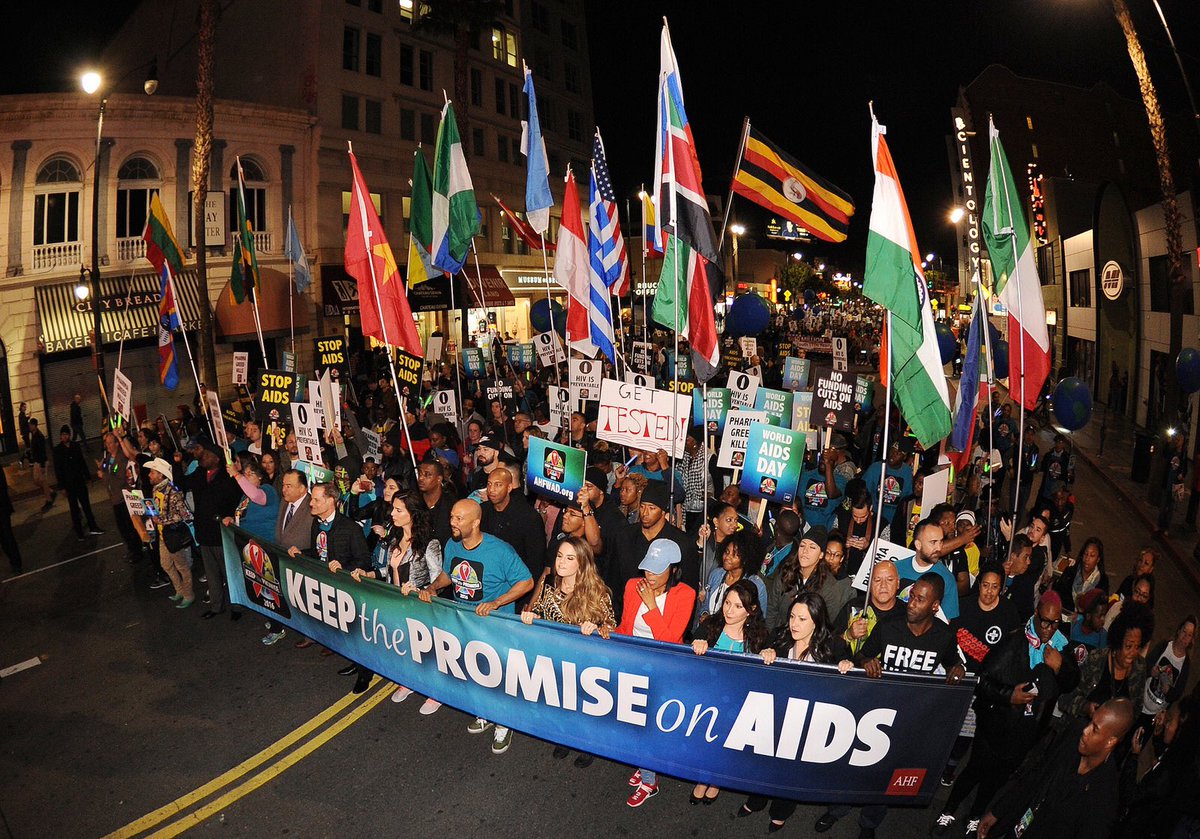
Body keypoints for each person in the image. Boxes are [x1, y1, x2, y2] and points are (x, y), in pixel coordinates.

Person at [818, 575, 964, 839]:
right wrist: (866, 661)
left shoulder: (943, 636)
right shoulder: (889, 626)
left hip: (911, 719)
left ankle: (869, 824)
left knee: (887, 773)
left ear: (934, 606)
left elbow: (954, 661)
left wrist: (958, 667)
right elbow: (862, 654)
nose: (911, 604)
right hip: (877, 712)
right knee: (857, 764)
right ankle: (837, 808)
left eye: (920, 600)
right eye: (911, 597)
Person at [933, 590, 1081, 836]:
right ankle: (948, 810)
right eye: (1043, 620)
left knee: (996, 780)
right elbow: (983, 681)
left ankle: (975, 815)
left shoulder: (1062, 648)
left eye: (1053, 623)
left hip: (1025, 734)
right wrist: (1009, 695)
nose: (1046, 628)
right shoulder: (1013, 641)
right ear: (1035, 614)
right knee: (974, 771)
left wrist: (1060, 666)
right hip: (993, 726)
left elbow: (1071, 683)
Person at [738, 590, 852, 831]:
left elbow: (850, 681)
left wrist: (847, 665)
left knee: (791, 771)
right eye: (792, 616)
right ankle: (756, 800)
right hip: (776, 715)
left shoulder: (834, 646)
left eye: (802, 619)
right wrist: (764, 654)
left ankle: (781, 811)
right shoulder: (780, 637)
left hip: (809, 722)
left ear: (817, 621)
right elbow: (760, 670)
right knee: (764, 763)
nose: (794, 624)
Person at [442, 499, 534, 754]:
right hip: (466, 624)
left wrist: (496, 602)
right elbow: (449, 574)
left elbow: (526, 582)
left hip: (496, 628)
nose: (453, 522)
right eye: (451, 516)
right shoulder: (452, 544)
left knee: (499, 676)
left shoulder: (500, 550)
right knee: (475, 671)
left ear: (476, 522)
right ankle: (484, 713)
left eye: (459, 518)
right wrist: (431, 587)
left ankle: (504, 722)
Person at [977, 699, 1136, 839]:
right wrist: (997, 812)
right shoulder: (1073, 736)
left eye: (1095, 729)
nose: (1085, 730)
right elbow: (1037, 775)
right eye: (1090, 722)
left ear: (1110, 741)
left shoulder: (1105, 796)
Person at [521, 536, 616, 767]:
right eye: (560, 556)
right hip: (556, 658)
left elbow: (611, 626)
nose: (561, 562)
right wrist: (532, 617)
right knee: (562, 701)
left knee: (584, 705)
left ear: (581, 563)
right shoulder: (550, 585)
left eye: (570, 558)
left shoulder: (597, 592)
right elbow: (543, 616)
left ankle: (588, 745)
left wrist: (596, 628)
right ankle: (566, 738)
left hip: (586, 662)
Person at [616, 539, 697, 807]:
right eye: (647, 569)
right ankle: (644, 764)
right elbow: (626, 626)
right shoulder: (632, 586)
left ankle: (650, 781)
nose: (649, 576)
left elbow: (671, 641)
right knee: (632, 722)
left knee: (646, 727)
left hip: (664, 670)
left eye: (656, 570)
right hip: (633, 664)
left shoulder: (685, 595)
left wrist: (651, 606)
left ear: (673, 570)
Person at [359, 491, 449, 714]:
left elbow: (439, 580)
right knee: (406, 648)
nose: (392, 514)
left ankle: (435, 693)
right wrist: (372, 574)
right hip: (397, 606)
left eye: (399, 510)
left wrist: (419, 590)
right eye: (393, 509)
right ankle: (409, 681)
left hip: (422, 608)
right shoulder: (393, 539)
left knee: (427, 651)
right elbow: (389, 570)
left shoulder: (430, 543)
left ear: (413, 514)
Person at [688, 578, 770, 805]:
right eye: (727, 603)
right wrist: (697, 643)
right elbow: (690, 650)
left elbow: (769, 671)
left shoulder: (760, 636)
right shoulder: (711, 625)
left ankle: (716, 780)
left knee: (726, 745)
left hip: (739, 703)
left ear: (751, 611)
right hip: (709, 696)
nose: (729, 610)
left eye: (737, 606)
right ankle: (703, 778)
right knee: (706, 741)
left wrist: (770, 654)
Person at [287, 483, 373, 693]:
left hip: (350, 592)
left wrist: (344, 568)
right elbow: (320, 554)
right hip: (329, 589)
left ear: (330, 501)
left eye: (316, 499)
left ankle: (366, 673)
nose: (311, 503)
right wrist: (302, 552)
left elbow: (364, 562)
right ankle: (356, 662)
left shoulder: (350, 528)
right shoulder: (317, 525)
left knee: (357, 634)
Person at [608, 481, 694, 614]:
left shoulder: (682, 543)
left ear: (663, 511)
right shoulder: (624, 535)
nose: (645, 513)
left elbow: (688, 589)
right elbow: (612, 579)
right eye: (642, 507)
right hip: (624, 615)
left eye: (652, 508)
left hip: (664, 617)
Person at [181, 444, 244, 620]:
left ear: (217, 458)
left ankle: (236, 606)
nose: (203, 456)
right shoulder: (200, 474)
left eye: (207, 454)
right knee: (211, 573)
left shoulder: (227, 478)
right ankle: (217, 606)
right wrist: (179, 461)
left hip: (220, 532)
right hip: (204, 531)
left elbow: (234, 502)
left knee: (228, 571)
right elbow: (183, 483)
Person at [1059, 606, 1153, 722]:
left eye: (1137, 647)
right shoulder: (1096, 660)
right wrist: (1085, 707)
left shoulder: (1139, 667)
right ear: (1117, 643)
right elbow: (1065, 699)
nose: (1133, 653)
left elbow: (1135, 710)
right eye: (1128, 646)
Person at [262, 468, 312, 646]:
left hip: (301, 562)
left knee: (303, 601)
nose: (284, 490)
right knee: (276, 593)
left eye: (289, 486)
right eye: (283, 485)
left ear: (302, 489)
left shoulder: (311, 506)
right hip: (281, 557)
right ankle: (278, 626)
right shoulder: (284, 502)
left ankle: (310, 635)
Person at [767, 526, 851, 630]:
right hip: (779, 635)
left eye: (812, 547)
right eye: (802, 546)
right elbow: (772, 610)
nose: (805, 551)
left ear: (821, 555)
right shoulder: (786, 574)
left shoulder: (830, 588)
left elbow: (825, 626)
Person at [480, 464, 546, 581]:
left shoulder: (529, 518)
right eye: (489, 484)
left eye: (498, 485)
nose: (491, 490)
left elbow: (536, 562)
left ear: (509, 487)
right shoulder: (482, 511)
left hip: (517, 582)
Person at [144, 457, 194, 609]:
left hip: (172, 535)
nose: (149, 475)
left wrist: (163, 521)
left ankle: (188, 595)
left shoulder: (173, 492)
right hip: (162, 534)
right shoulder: (156, 489)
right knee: (166, 564)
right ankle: (180, 590)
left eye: (152, 472)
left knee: (182, 566)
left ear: (161, 475)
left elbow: (185, 514)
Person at [894, 518, 960, 620]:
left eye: (941, 541)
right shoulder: (896, 569)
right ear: (918, 545)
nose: (939, 548)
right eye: (933, 542)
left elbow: (946, 622)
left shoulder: (947, 578)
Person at [1139, 615, 1194, 735]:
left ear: (1191, 640)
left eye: (1189, 635)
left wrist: (1168, 691)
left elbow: (1177, 694)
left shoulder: (1185, 665)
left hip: (1155, 714)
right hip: (1141, 702)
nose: (1185, 636)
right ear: (1179, 630)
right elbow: (1145, 665)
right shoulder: (1165, 646)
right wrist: (1151, 671)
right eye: (1184, 631)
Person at [699, 535, 768, 627]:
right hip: (709, 630)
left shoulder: (756, 585)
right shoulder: (716, 574)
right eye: (726, 552)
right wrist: (704, 614)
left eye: (734, 555)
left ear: (746, 559)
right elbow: (706, 604)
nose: (727, 557)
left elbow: (759, 620)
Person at [52, 424, 103, 539]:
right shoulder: (58, 451)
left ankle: (92, 526)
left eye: (66, 434)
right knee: (74, 509)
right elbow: (58, 470)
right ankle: (79, 532)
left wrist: (88, 477)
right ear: (60, 436)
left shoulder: (75, 446)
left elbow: (82, 462)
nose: (65, 437)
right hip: (69, 484)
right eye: (63, 435)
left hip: (79, 481)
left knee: (86, 505)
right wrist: (62, 487)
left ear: (69, 435)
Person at [97, 430, 141, 564]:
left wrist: (104, 475)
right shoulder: (108, 458)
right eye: (107, 443)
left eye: (111, 443)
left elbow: (120, 478)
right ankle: (131, 550)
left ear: (117, 443)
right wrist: (102, 468)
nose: (109, 446)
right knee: (122, 528)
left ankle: (137, 552)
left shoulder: (122, 458)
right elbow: (106, 470)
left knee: (130, 527)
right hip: (115, 499)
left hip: (123, 499)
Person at [223, 458, 280, 544]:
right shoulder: (245, 496)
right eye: (244, 474)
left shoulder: (268, 489)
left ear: (260, 476)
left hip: (264, 543)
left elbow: (256, 495)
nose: (245, 477)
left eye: (250, 474)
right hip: (247, 542)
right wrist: (233, 520)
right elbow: (243, 518)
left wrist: (236, 474)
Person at [861, 442, 913, 530]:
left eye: (897, 453)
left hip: (894, 522)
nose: (893, 455)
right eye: (892, 451)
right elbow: (863, 491)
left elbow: (908, 498)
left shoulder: (907, 472)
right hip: (874, 519)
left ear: (904, 457)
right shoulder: (876, 467)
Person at [416, 458, 454, 546]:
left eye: (427, 475)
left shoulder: (451, 505)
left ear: (439, 479)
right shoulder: (415, 503)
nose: (421, 478)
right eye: (420, 474)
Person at [28, 418, 54, 510]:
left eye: (30, 425)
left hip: (41, 462)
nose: (29, 427)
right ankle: (51, 491)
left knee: (43, 481)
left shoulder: (39, 436)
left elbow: (42, 452)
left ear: (35, 426)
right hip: (36, 461)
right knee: (36, 481)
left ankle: (49, 500)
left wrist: (43, 465)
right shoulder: (33, 435)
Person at [0, 464, 21, 575]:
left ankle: (17, 563)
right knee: (3, 539)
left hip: (2, 507)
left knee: (8, 535)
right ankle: (13, 560)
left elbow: (2, 486)